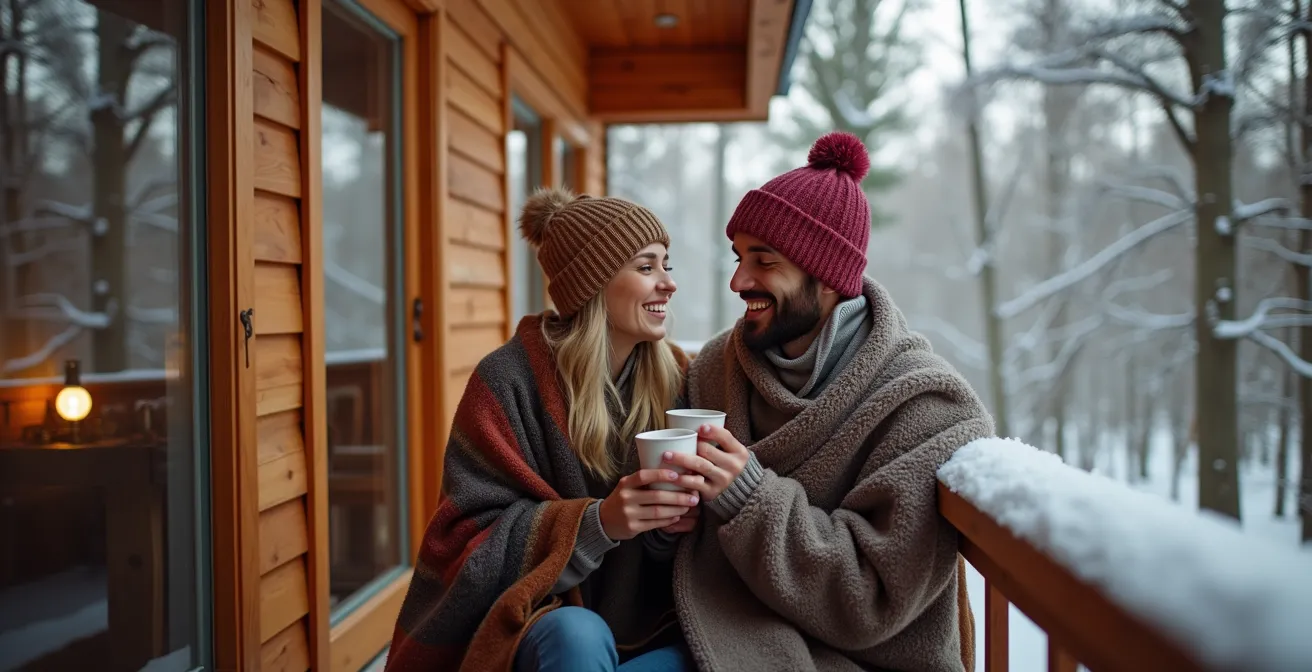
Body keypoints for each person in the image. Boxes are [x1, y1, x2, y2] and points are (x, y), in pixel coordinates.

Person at [657, 131, 993, 671]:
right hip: (718, 630)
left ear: (830, 278)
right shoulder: (717, 369)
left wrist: (748, 498)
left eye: (763, 261)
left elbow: (870, 598)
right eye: (739, 257)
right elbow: (693, 552)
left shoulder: (925, 405)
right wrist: (669, 526)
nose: (739, 280)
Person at [384, 188, 699, 672]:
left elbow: (680, 558)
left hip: (650, 621)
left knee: (709, 649)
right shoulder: (508, 381)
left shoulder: (676, 376)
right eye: (646, 267)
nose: (668, 284)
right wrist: (598, 525)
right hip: (538, 620)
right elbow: (464, 541)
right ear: (592, 283)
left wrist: (667, 527)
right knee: (578, 636)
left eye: (666, 265)